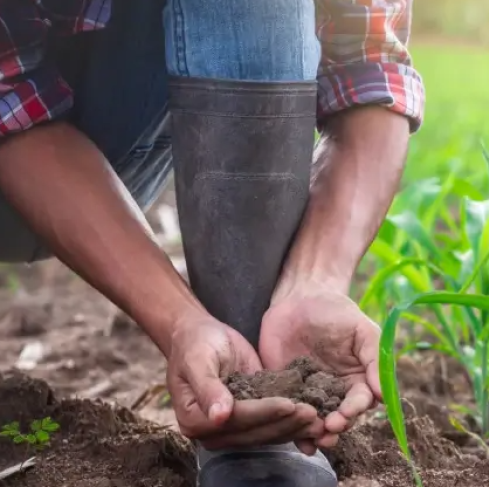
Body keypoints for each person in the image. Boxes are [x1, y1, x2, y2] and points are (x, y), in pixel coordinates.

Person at [0, 0, 424, 486]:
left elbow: (370, 67)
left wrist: (316, 280)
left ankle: (250, 392)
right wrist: (176, 320)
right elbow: (8, 96)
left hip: (104, 135)